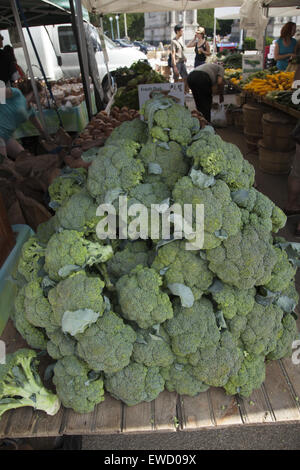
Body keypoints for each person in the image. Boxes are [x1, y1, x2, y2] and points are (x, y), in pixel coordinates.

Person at [0, 78, 50, 159]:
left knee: (26, 159)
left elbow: (41, 129)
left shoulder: (31, 110)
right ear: (35, 91)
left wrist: (50, 140)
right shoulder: (16, 93)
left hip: (6, 136)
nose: (42, 97)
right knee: (4, 164)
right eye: (41, 94)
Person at [170, 24, 189, 93]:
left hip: (182, 61)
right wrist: (174, 66)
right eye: (181, 31)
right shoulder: (173, 41)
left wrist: (184, 57)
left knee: (185, 77)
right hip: (177, 62)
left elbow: (180, 51)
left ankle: (184, 92)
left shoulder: (181, 40)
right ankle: (175, 92)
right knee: (176, 78)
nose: (182, 32)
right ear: (177, 31)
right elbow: (173, 54)